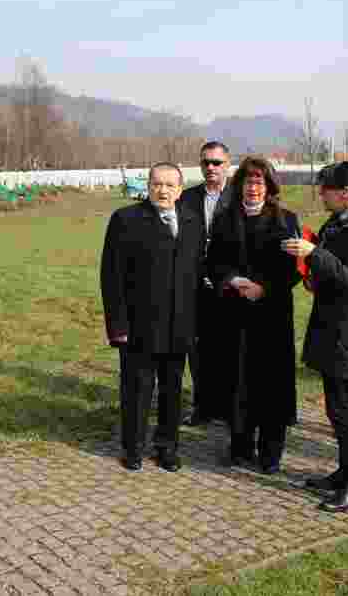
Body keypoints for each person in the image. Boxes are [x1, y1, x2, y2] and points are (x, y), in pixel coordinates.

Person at [282, 162, 348, 512]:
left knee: (347, 411)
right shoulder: (340, 221)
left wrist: (314, 254)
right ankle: (345, 473)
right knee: (339, 408)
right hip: (334, 325)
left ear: (345, 192)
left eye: (325, 188)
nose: (321, 194)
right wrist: (311, 261)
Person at [100, 162, 203, 472]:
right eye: (157, 184)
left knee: (172, 392)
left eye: (170, 185)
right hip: (138, 326)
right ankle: (133, 448)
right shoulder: (126, 219)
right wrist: (117, 326)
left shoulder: (192, 220)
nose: (163, 190)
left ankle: (167, 447)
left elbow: (197, 273)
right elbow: (111, 275)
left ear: (180, 190)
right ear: (148, 186)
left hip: (179, 326)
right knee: (137, 389)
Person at [207, 156, 301, 473]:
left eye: (259, 182)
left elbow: (294, 270)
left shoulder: (287, 220)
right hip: (234, 315)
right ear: (239, 185)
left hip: (272, 316)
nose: (253, 188)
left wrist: (265, 288)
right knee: (238, 382)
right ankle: (240, 446)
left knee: (271, 385)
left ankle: (271, 453)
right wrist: (233, 280)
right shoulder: (223, 219)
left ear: (269, 186)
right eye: (248, 182)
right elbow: (213, 262)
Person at [177, 141, 235, 426]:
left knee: (227, 348)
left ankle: (227, 407)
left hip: (229, 286)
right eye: (206, 163)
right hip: (194, 286)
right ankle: (202, 406)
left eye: (216, 162)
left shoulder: (239, 198)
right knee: (197, 349)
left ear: (227, 164)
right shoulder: (186, 199)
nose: (210, 167)